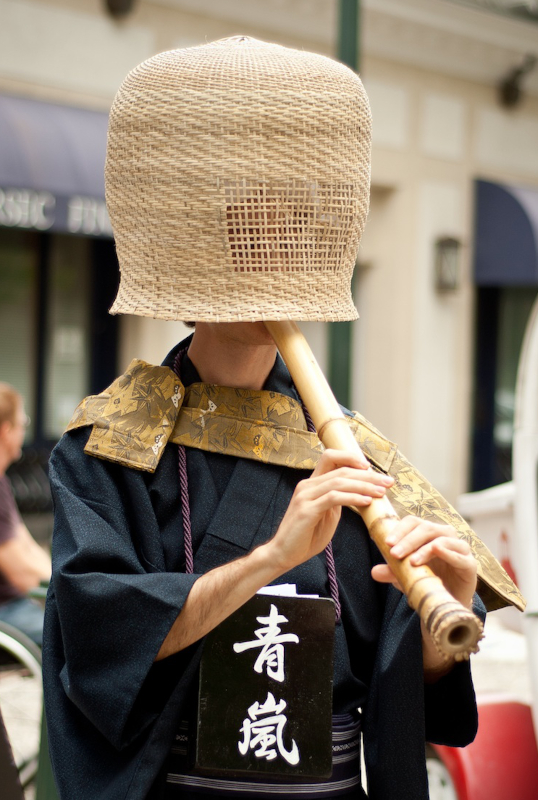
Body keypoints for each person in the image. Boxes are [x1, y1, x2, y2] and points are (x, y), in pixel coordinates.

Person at [43, 37, 521, 800]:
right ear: (200, 255)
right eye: (253, 235)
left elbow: (401, 688)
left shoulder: (349, 452)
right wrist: (272, 556)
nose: (278, 259)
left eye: (296, 237)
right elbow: (104, 645)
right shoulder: (107, 447)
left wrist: (443, 624)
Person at [0, 383, 51, 646]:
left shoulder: (2, 481)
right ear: (7, 431)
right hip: (6, 611)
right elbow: (20, 575)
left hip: (13, 606)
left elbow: (25, 544)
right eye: (24, 422)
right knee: (73, 638)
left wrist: (59, 577)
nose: (24, 430)